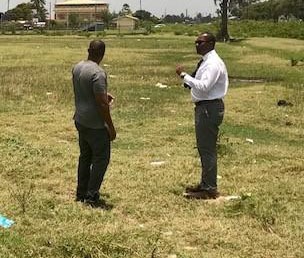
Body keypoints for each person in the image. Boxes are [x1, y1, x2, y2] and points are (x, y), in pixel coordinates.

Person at [176, 32, 228, 199]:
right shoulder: (206, 61)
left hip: (208, 108)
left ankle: (209, 188)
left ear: (211, 43)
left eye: (201, 42)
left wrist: (185, 76)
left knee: (207, 149)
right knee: (204, 148)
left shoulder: (213, 63)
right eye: (196, 42)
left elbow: (205, 86)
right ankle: (205, 183)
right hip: (205, 107)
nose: (197, 45)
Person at [72, 40, 116, 207]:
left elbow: (84, 90)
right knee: (100, 159)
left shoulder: (78, 67)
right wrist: (110, 127)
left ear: (88, 50)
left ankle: (81, 192)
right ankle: (91, 196)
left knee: (85, 157)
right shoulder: (98, 73)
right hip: (95, 125)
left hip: (80, 120)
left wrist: (103, 94)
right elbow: (102, 105)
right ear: (103, 54)